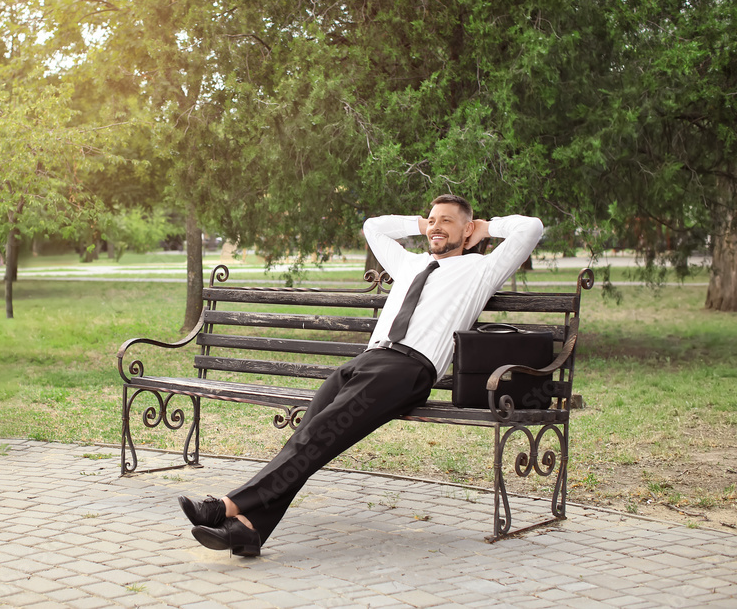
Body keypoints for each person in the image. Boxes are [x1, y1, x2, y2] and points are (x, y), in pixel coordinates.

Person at [177, 194, 544, 557]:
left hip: (409, 368)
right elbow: (374, 227)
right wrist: (421, 224)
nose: (436, 226)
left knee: (317, 436)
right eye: (432, 220)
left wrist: (487, 228)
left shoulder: (481, 270)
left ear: (468, 231)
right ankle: (249, 531)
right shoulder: (410, 263)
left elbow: (531, 229)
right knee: (310, 435)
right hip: (367, 359)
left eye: (447, 221)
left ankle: (225, 506)